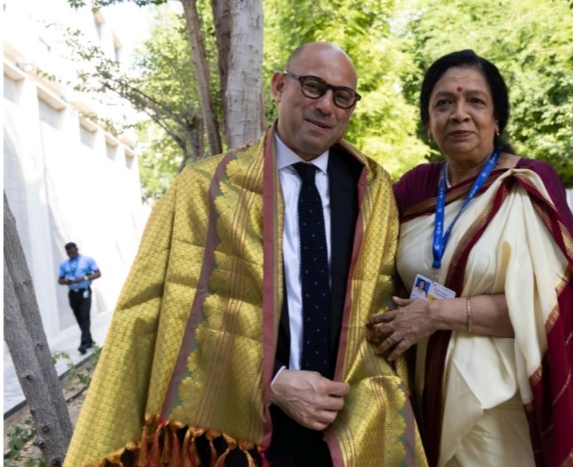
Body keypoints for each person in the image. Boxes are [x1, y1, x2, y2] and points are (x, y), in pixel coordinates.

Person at [66, 42, 425, 467]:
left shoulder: (374, 190)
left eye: (341, 96)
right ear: (278, 86)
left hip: (346, 423)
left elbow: (380, 298)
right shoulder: (205, 189)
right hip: (235, 432)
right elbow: (175, 313)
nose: (326, 106)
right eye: (313, 87)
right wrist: (271, 382)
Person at [368, 50, 573, 466]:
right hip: (422, 397)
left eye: (475, 101)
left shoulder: (528, 183)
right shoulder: (413, 188)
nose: (459, 114)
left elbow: (553, 309)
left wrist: (436, 315)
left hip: (505, 405)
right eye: (443, 104)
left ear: (497, 119)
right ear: (428, 123)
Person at [57, 242, 101, 355]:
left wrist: (84, 278)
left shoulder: (87, 260)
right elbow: (60, 279)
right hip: (73, 293)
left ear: (76, 249)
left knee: (85, 315)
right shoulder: (64, 264)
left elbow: (98, 273)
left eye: (73, 252)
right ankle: (89, 341)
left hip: (85, 291)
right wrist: (65, 281)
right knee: (79, 317)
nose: (71, 255)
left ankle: (83, 343)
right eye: (69, 253)